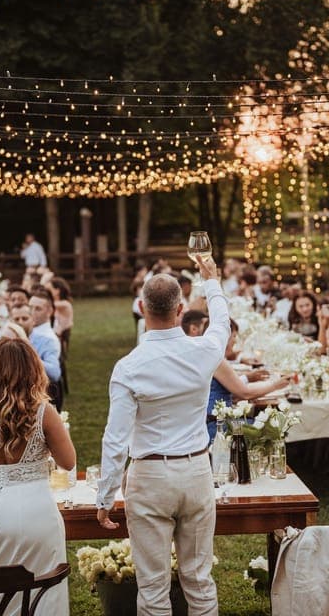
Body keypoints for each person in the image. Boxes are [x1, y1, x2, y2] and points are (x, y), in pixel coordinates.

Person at [96, 256, 229, 615]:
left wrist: (105, 495)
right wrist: (211, 281)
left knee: (152, 586)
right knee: (200, 580)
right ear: (181, 309)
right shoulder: (203, 352)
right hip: (197, 472)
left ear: (141, 308)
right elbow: (222, 325)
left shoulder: (128, 368)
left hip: (150, 476)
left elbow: (115, 437)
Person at [0, 338, 75, 615]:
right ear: (32, 369)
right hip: (34, 510)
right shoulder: (43, 413)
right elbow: (69, 462)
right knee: (40, 589)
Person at [207, 320, 290, 442]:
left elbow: (232, 393)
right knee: (274, 429)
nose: (235, 341)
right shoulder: (216, 359)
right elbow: (244, 393)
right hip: (218, 425)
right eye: (234, 336)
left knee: (266, 423)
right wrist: (275, 385)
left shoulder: (212, 355)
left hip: (220, 420)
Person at [29, 288, 64, 411]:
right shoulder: (31, 331)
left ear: (49, 312)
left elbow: (55, 373)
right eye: (30, 307)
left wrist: (27, 355)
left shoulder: (49, 338)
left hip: (38, 397)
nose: (32, 312)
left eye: (38, 309)